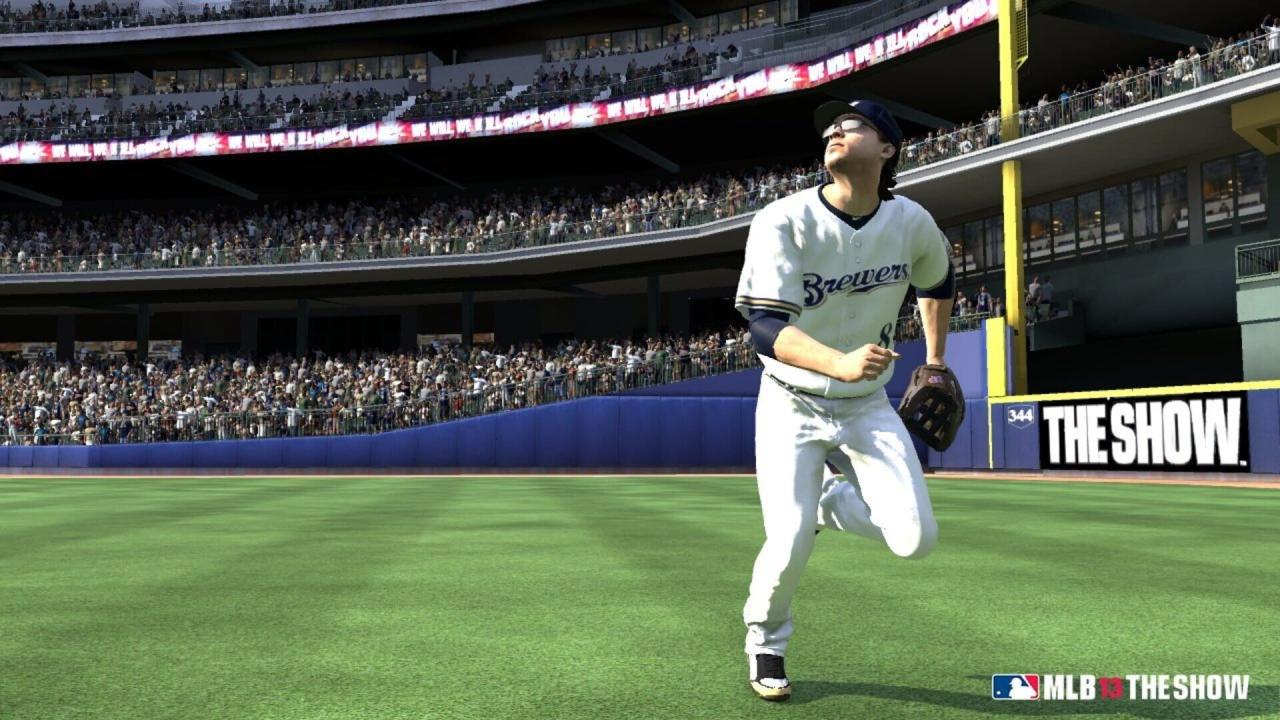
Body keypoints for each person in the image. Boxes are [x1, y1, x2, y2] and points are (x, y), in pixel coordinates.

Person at [734, 99, 955, 702]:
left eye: (851, 125)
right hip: (790, 400)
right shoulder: (784, 219)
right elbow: (763, 326)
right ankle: (766, 641)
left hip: (866, 405)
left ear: (887, 148)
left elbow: (938, 280)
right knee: (788, 537)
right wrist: (838, 361)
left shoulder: (910, 221)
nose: (834, 130)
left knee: (915, 539)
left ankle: (830, 504)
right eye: (830, 127)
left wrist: (936, 360)